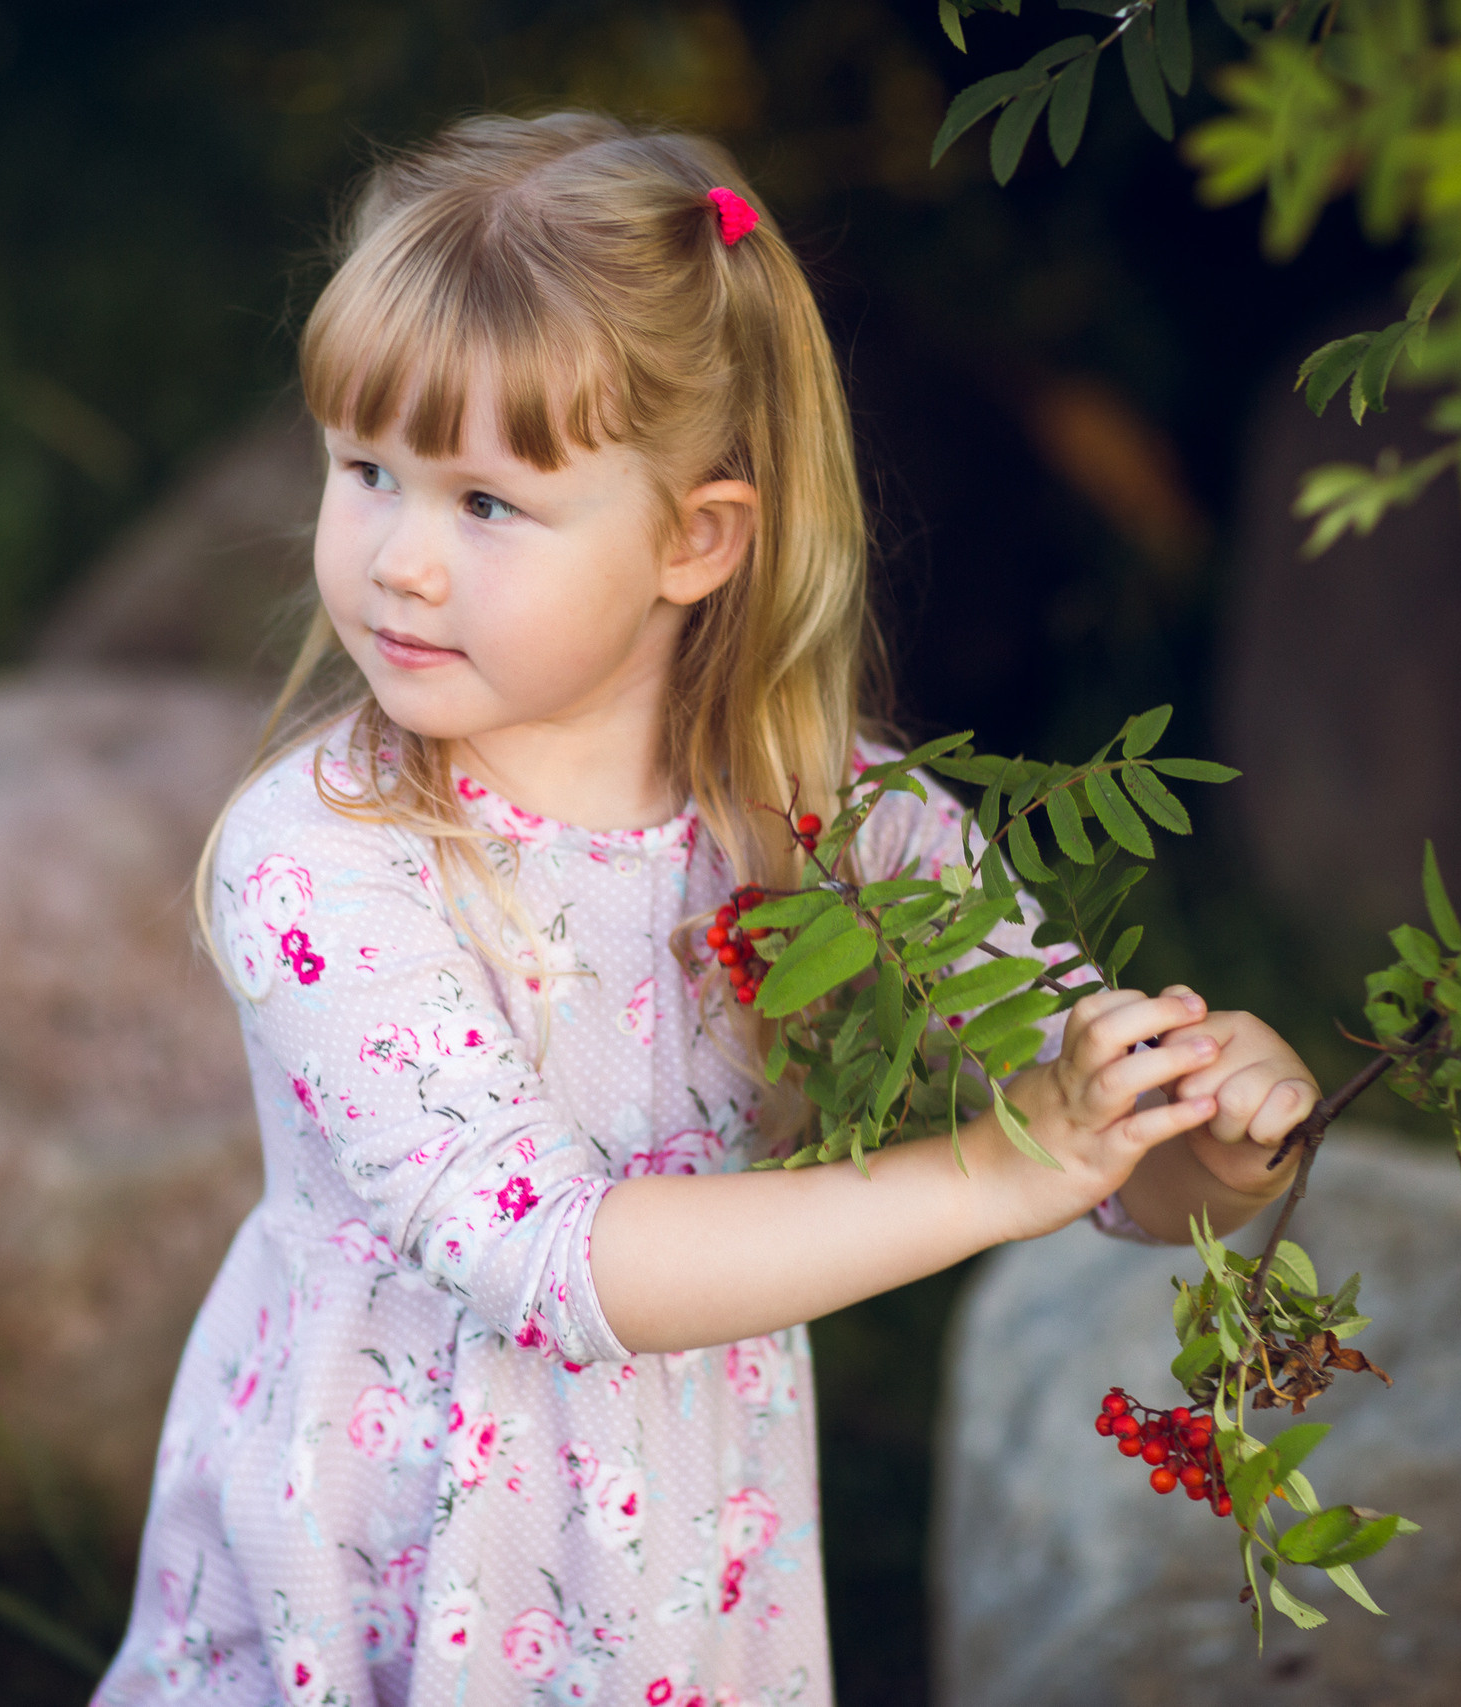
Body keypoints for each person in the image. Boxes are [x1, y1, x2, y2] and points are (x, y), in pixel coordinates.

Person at [94, 112, 1317, 1707]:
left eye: (485, 504)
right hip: (388, 1541)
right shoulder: (327, 858)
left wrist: (1222, 1140)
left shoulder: (835, 824)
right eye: (367, 470)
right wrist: (1000, 1160)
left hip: (678, 1557)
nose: (397, 560)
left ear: (694, 539)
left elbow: (1119, 1170)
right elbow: (548, 1262)